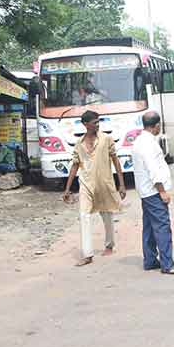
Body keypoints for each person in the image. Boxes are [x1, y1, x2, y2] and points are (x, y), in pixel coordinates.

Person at [62, 110, 126, 267]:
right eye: (94, 122)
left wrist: (121, 184)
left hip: (104, 184)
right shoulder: (79, 143)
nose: (97, 125)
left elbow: (115, 160)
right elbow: (75, 165)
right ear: (85, 124)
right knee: (84, 216)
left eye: (98, 122)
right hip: (86, 184)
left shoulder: (106, 139)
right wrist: (67, 189)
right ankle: (87, 254)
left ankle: (109, 245)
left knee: (107, 214)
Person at [132, 111, 174, 275]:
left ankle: (150, 260)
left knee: (149, 227)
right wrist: (162, 191)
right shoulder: (149, 144)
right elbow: (153, 170)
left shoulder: (139, 141)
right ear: (156, 126)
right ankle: (167, 263)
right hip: (153, 191)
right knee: (162, 227)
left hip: (145, 191)